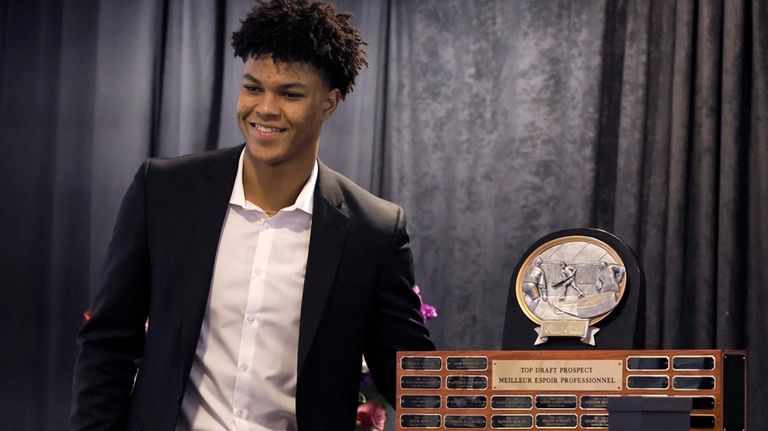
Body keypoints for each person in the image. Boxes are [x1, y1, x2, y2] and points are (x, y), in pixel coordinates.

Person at [70, 1, 435, 429]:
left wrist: (521, 395)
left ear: (329, 103)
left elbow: (414, 383)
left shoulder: (374, 230)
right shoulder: (164, 191)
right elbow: (108, 342)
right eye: (253, 87)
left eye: (290, 94)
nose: (264, 108)